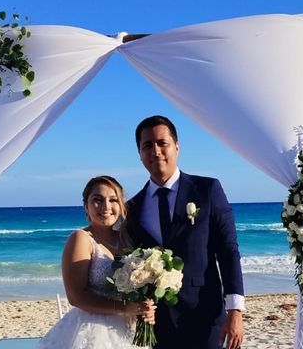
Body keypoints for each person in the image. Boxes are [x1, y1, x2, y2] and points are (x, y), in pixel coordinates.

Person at [126, 116, 245, 349]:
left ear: (177, 147)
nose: (156, 151)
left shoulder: (207, 190)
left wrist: (235, 310)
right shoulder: (133, 207)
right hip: (157, 324)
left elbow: (228, 251)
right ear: (139, 154)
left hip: (206, 315)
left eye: (162, 143)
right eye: (147, 145)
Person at [36, 175, 156, 349]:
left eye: (113, 200)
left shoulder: (127, 240)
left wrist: (144, 307)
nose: (106, 207)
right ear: (86, 206)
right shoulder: (81, 239)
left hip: (128, 328)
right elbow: (75, 296)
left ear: (121, 206)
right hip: (94, 329)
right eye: (97, 200)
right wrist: (123, 308)